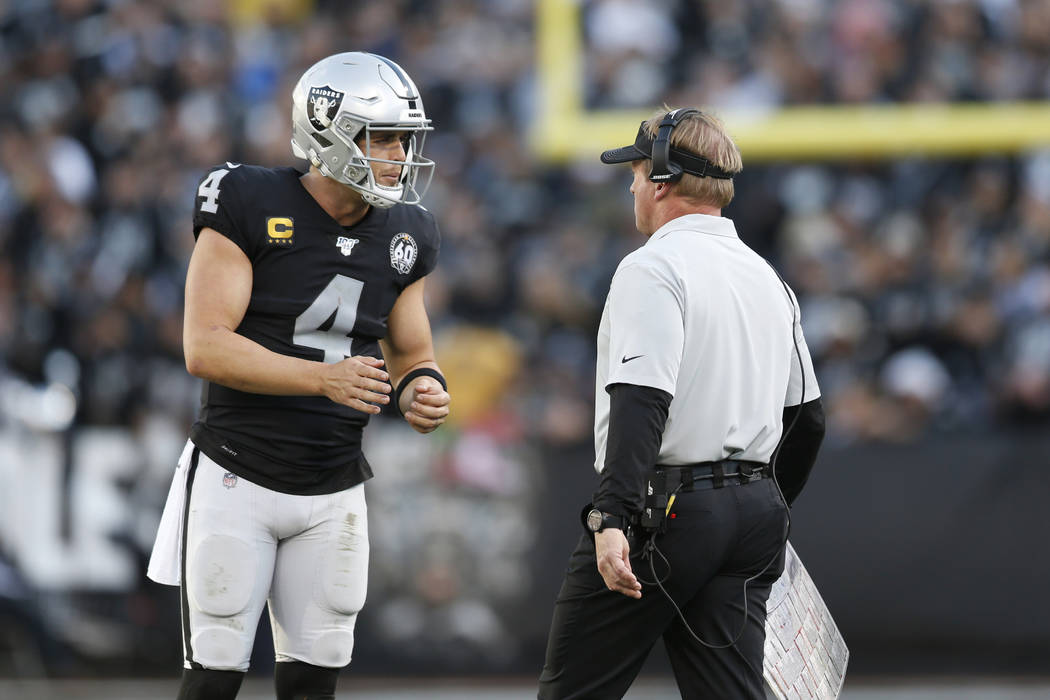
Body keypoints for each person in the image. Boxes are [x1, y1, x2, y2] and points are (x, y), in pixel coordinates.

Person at [147, 52, 451, 700]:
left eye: (404, 138)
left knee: (314, 683)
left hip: (334, 483)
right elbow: (204, 348)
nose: (399, 153)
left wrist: (422, 386)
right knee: (215, 678)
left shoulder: (408, 231)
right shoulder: (248, 199)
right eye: (383, 137)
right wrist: (323, 380)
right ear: (327, 131)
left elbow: (412, 349)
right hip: (238, 472)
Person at [537, 108, 826, 699]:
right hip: (750, 517)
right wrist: (766, 506)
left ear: (663, 180)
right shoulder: (767, 276)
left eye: (639, 172)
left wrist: (612, 516)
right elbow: (808, 420)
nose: (633, 185)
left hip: (665, 513)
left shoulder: (653, 266)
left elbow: (641, 402)